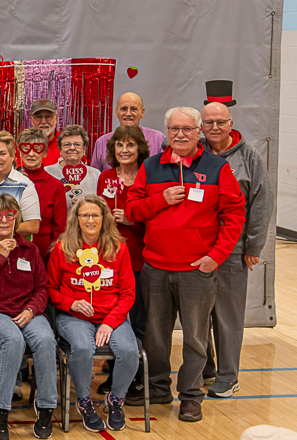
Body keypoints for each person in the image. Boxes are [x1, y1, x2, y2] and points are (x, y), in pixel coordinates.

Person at [124, 107, 245, 422]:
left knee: (194, 337)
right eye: (174, 128)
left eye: (187, 129)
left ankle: (191, 396)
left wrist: (215, 256)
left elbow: (234, 216)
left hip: (196, 270)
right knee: (155, 335)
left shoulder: (218, 168)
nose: (180, 134)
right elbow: (133, 210)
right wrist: (161, 199)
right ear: (167, 131)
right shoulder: (150, 167)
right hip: (156, 269)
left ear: (198, 131)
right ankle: (158, 388)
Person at [0, 194, 57, 440]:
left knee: (46, 339)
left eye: (10, 215)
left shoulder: (30, 248)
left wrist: (31, 310)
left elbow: (42, 289)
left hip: (26, 311)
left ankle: (47, 407)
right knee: (13, 339)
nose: (4, 220)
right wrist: (0, 256)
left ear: (17, 219)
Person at [200, 102, 273, 398]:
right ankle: (206, 367)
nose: (214, 128)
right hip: (197, 249)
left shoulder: (249, 156)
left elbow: (261, 202)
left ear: (231, 124)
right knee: (196, 314)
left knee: (227, 315)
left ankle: (229, 376)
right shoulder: (196, 152)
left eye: (220, 122)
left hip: (232, 249)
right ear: (201, 126)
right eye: (209, 123)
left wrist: (253, 245)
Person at [47, 195, 138, 432]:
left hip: (112, 317)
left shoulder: (119, 248)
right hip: (75, 317)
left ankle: (115, 399)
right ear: (76, 219)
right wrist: (72, 303)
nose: (90, 220)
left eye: (95, 215)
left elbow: (128, 293)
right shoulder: (62, 248)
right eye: (84, 215)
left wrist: (110, 323)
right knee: (83, 348)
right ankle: (84, 401)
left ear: (104, 218)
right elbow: (49, 290)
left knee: (129, 351)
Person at [94, 125, 150, 395]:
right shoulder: (106, 178)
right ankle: (115, 373)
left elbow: (155, 219)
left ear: (140, 149)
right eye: (120, 145)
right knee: (112, 316)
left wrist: (133, 220)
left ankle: (136, 376)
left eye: (130, 145)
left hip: (139, 256)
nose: (125, 150)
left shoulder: (147, 177)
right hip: (109, 257)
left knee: (137, 320)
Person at [17, 129, 67, 263]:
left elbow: (59, 228)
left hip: (44, 255)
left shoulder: (55, 186)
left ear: (44, 153)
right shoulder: (11, 181)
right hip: (12, 251)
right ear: (20, 152)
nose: (31, 154)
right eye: (26, 149)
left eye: (37, 149)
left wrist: (53, 256)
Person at [90, 93, 166, 172]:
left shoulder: (158, 139)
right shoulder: (101, 142)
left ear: (142, 112)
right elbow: (95, 178)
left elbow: (165, 173)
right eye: (124, 109)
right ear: (116, 112)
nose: (128, 113)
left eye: (133, 109)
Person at [46, 125, 101, 209]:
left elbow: (102, 205)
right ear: (60, 149)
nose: (72, 148)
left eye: (77, 144)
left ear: (84, 149)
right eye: (67, 145)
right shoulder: (47, 172)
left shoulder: (95, 174)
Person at [28, 99, 61, 166]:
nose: (43, 121)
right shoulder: (19, 146)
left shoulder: (67, 144)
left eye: (48, 117)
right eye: (38, 117)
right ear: (31, 120)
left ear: (56, 118)